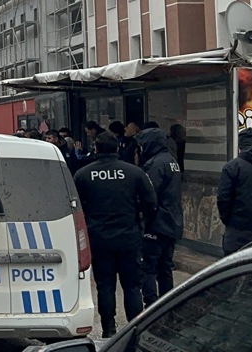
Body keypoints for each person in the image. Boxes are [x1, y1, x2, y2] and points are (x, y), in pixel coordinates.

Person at [73, 132, 156, 337]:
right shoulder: (134, 173)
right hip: (129, 237)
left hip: (99, 239)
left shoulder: (83, 174)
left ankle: (109, 330)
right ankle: (133, 328)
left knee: (105, 286)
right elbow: (151, 203)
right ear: (117, 148)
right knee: (132, 285)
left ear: (96, 149)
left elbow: (74, 207)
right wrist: (142, 225)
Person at [136, 127, 183, 306]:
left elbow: (149, 194)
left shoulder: (155, 164)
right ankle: (167, 303)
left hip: (157, 223)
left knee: (149, 267)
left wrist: (143, 219)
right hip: (171, 222)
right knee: (165, 267)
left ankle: (151, 305)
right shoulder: (171, 160)